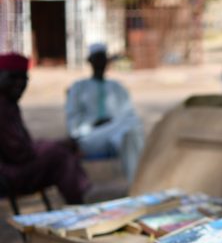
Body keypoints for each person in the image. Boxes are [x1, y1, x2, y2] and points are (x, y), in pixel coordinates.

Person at [0, 52, 91, 204]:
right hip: (6, 176)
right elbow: (19, 153)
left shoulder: (9, 104)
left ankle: (78, 202)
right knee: (60, 156)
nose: (20, 84)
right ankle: (79, 204)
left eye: (24, 79)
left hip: (11, 170)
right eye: (13, 77)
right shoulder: (2, 106)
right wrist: (56, 145)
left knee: (60, 153)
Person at [65, 43, 144, 182]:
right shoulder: (79, 87)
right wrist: (93, 124)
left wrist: (113, 123)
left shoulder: (117, 87)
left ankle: (136, 182)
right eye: (97, 58)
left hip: (116, 135)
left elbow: (128, 113)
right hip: (90, 136)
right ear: (90, 61)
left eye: (103, 58)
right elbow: (73, 123)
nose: (101, 62)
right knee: (130, 129)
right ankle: (139, 182)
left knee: (130, 132)